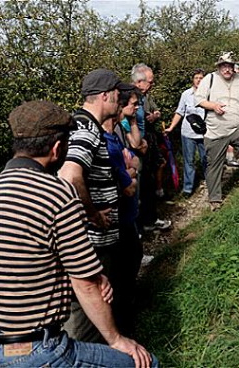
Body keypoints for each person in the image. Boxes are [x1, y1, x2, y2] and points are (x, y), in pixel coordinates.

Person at [0, 100, 157, 368]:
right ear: (56, 148)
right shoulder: (57, 195)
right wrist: (116, 340)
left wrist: (88, 274)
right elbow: (84, 284)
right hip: (32, 351)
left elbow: (13, 263)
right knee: (144, 362)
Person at [59, 68, 134, 342]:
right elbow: (69, 175)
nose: (120, 99)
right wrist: (91, 214)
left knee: (99, 304)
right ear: (105, 96)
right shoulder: (86, 129)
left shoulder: (80, 126)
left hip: (95, 239)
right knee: (89, 310)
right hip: (90, 241)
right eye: (117, 94)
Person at [195, 52, 239, 210]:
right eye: (223, 66)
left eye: (229, 66)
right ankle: (215, 199)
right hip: (215, 130)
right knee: (214, 164)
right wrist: (213, 106)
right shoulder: (209, 79)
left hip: (237, 127)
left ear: (233, 67)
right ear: (218, 67)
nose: (227, 69)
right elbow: (199, 99)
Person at [103, 88, 143, 335]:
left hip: (126, 216)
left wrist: (131, 170)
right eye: (129, 105)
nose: (131, 109)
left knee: (133, 257)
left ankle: (128, 313)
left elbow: (134, 159)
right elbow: (127, 185)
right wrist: (129, 173)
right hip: (115, 219)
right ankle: (122, 329)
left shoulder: (116, 134)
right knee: (118, 274)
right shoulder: (105, 140)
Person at [129, 63, 171, 231]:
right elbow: (127, 122)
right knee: (138, 187)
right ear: (139, 82)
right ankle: (141, 226)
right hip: (136, 149)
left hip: (145, 144)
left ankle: (149, 220)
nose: (152, 85)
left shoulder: (143, 97)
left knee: (148, 182)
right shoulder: (129, 97)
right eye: (150, 82)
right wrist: (137, 144)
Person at [164, 68, 208, 197]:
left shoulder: (209, 94)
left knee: (206, 158)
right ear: (192, 80)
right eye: (196, 78)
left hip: (204, 133)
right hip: (188, 133)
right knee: (189, 161)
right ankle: (188, 188)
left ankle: (210, 181)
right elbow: (180, 112)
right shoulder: (186, 94)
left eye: (201, 78)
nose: (199, 80)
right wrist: (171, 127)